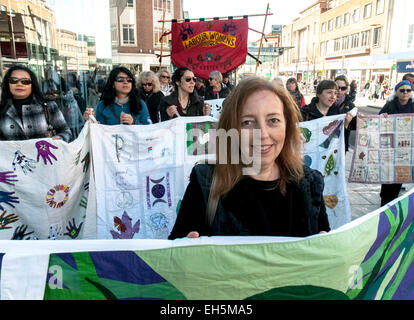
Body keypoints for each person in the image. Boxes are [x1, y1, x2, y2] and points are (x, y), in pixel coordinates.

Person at [168, 77, 330, 239]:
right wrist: (185, 250)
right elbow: (174, 252)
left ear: (287, 126)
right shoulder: (206, 182)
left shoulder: (309, 183)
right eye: (247, 122)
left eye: (273, 120)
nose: (263, 135)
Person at [0, 65, 71, 142]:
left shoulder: (48, 106)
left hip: (44, 153)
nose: (19, 84)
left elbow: (65, 131)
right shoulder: (3, 109)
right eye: (14, 80)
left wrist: (58, 139)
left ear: (32, 85)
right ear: (8, 84)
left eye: (25, 81)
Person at [378, 80, 414, 207]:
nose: (405, 93)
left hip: (406, 149)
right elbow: (378, 119)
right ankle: (384, 202)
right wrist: (383, 117)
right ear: (396, 92)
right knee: (387, 175)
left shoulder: (413, 105)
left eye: (408, 90)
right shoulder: (390, 105)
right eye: (402, 90)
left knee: (399, 178)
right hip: (390, 148)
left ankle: (393, 202)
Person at [83, 67, 151, 125]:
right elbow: (98, 132)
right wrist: (89, 121)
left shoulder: (140, 104)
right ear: (112, 84)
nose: (125, 82)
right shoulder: (102, 105)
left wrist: (134, 122)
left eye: (129, 80)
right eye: (120, 80)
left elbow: (149, 129)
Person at [334, 75, 357, 152]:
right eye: (337, 87)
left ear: (346, 89)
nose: (340, 90)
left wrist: (348, 123)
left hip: (341, 146)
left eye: (343, 88)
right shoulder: (326, 101)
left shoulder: (350, 105)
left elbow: (356, 125)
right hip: (325, 145)